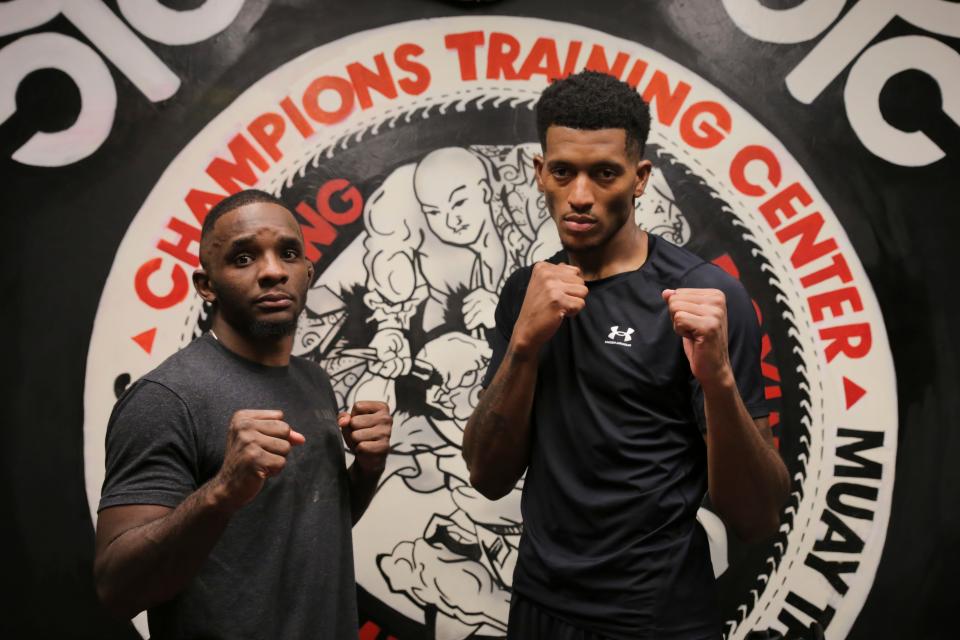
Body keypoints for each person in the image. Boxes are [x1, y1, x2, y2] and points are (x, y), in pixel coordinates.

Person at [462, 70, 790, 639]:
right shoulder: (526, 292)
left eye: (605, 173)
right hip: (539, 607)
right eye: (563, 172)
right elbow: (488, 475)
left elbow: (757, 517)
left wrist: (717, 382)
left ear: (640, 179)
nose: (581, 195)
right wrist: (523, 345)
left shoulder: (706, 297)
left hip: (657, 619)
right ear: (540, 173)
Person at [93, 189, 392, 639]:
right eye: (244, 258)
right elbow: (117, 588)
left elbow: (302, 529)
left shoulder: (315, 382)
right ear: (206, 285)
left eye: (288, 253)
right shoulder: (165, 397)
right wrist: (223, 491)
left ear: (308, 272)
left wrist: (367, 469)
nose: (273, 271)